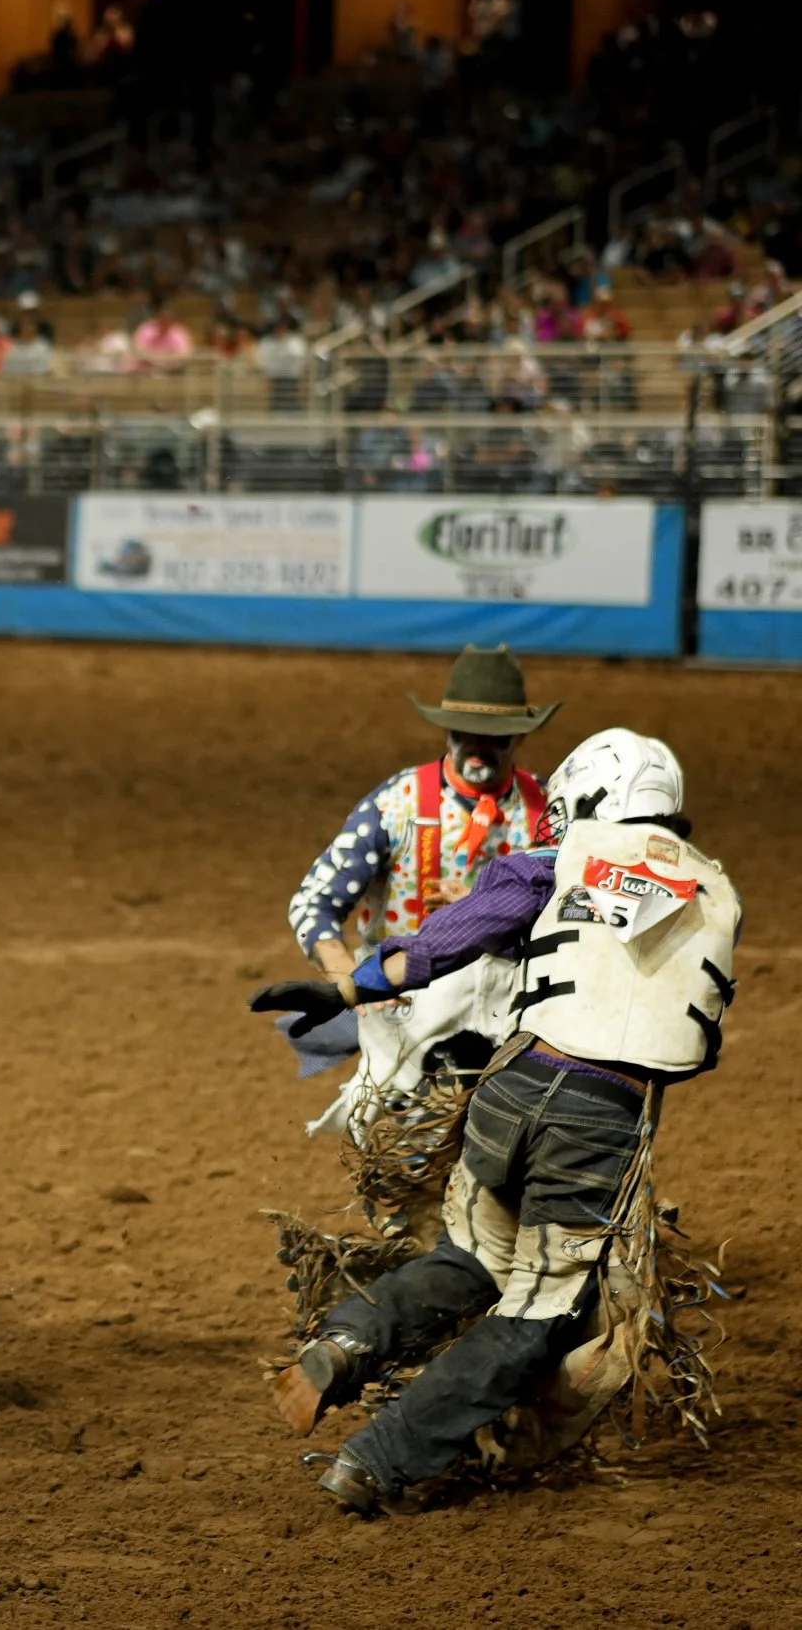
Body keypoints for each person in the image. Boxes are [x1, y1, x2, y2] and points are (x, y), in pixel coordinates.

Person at [252, 729, 740, 1513]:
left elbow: (454, 939)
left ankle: (345, 1346)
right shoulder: (717, 897)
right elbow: (694, 1034)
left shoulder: (553, 866)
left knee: (473, 1255)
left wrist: (347, 992)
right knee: (540, 1311)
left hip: (510, 1090)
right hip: (602, 1119)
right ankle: (378, 1458)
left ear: (587, 801)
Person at [285, 646, 557, 1132]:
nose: (478, 746)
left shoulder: (549, 813)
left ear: (519, 736)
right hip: (404, 1017)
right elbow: (315, 902)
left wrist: (483, 910)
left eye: (494, 736)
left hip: (514, 1015)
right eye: (466, 733)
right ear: (446, 732)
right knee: (403, 1160)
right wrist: (349, 977)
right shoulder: (397, 805)